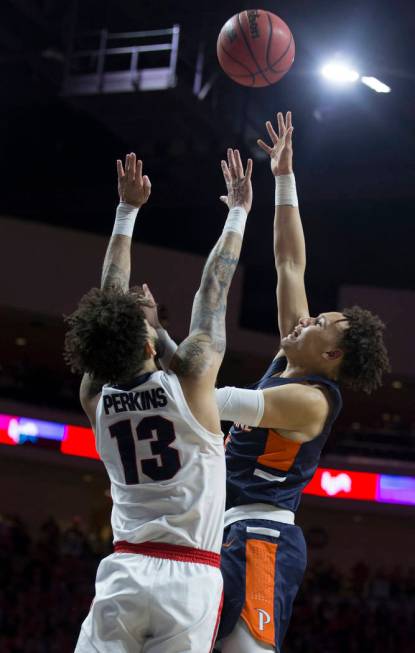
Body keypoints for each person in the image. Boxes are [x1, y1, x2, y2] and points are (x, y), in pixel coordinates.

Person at [64, 147, 254, 653]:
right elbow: (214, 286)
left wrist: (126, 213)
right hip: (189, 576)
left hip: (124, 570)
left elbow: (108, 301)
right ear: (150, 343)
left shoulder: (93, 395)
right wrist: (238, 210)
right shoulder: (191, 380)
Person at [215, 112, 390, 653]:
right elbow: (289, 262)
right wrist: (283, 176)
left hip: (261, 540)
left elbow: (213, 400)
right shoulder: (292, 357)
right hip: (218, 529)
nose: (308, 319)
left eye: (321, 323)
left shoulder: (312, 401)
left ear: (333, 354)